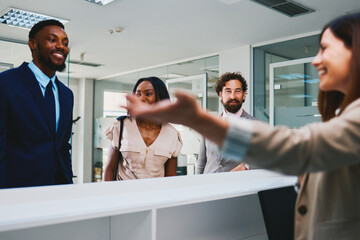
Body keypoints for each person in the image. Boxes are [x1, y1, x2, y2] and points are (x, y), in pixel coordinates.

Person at [126, 12, 360, 239]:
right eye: (227, 90)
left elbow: (294, 149)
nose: (315, 59)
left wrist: (197, 119)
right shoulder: (344, 114)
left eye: (325, 48)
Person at [0, 20, 74, 188]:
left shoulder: (67, 95)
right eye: (52, 39)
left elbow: (63, 146)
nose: (61, 46)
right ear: (33, 44)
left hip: (58, 189)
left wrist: (69, 184)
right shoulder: (6, 84)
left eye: (65, 42)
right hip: (16, 190)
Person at [104, 77, 182, 181]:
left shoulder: (172, 134)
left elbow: (171, 176)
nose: (142, 98)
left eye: (148, 94)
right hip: (123, 193)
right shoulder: (122, 126)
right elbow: (110, 168)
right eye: (138, 94)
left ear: (160, 98)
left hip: (155, 194)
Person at [197, 72, 256, 174]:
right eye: (228, 91)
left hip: (237, 186)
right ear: (220, 94)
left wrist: (247, 166)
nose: (232, 96)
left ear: (244, 95)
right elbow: (201, 162)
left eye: (237, 91)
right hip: (209, 185)